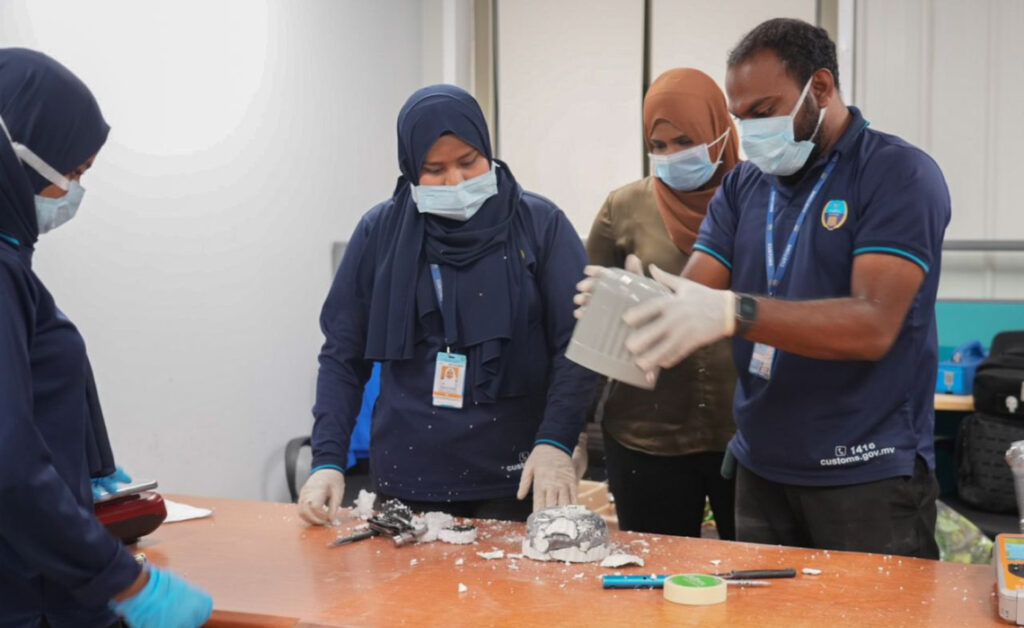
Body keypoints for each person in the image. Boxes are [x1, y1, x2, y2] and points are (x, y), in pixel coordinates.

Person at [579, 19, 950, 559]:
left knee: (869, 617)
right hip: (762, 468)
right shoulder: (744, 186)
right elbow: (692, 296)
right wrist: (634, 301)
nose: (750, 131)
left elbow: (873, 325)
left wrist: (736, 312)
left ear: (820, 87)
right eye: (740, 117)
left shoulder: (896, 174)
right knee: (763, 614)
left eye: (763, 112)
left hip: (864, 471)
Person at [298, 85, 596, 524]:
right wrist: (327, 459)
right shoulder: (380, 233)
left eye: (468, 162)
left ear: (487, 150)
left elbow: (579, 342)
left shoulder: (539, 224)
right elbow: (343, 353)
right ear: (409, 168)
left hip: (518, 473)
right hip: (409, 474)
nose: (455, 181)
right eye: (434, 169)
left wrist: (556, 441)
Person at [0, 48, 212, 628]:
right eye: (74, 170)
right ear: (20, 154)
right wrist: (126, 580)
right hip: (33, 609)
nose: (73, 191)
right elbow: (9, 465)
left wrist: (84, 471)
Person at [584, 68, 738, 539]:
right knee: (654, 573)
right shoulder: (624, 208)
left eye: (685, 141)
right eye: (659, 145)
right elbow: (590, 326)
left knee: (754, 574)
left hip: (746, 437)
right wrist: (570, 432)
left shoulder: (760, 200)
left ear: (719, 132)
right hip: (646, 434)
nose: (671, 156)